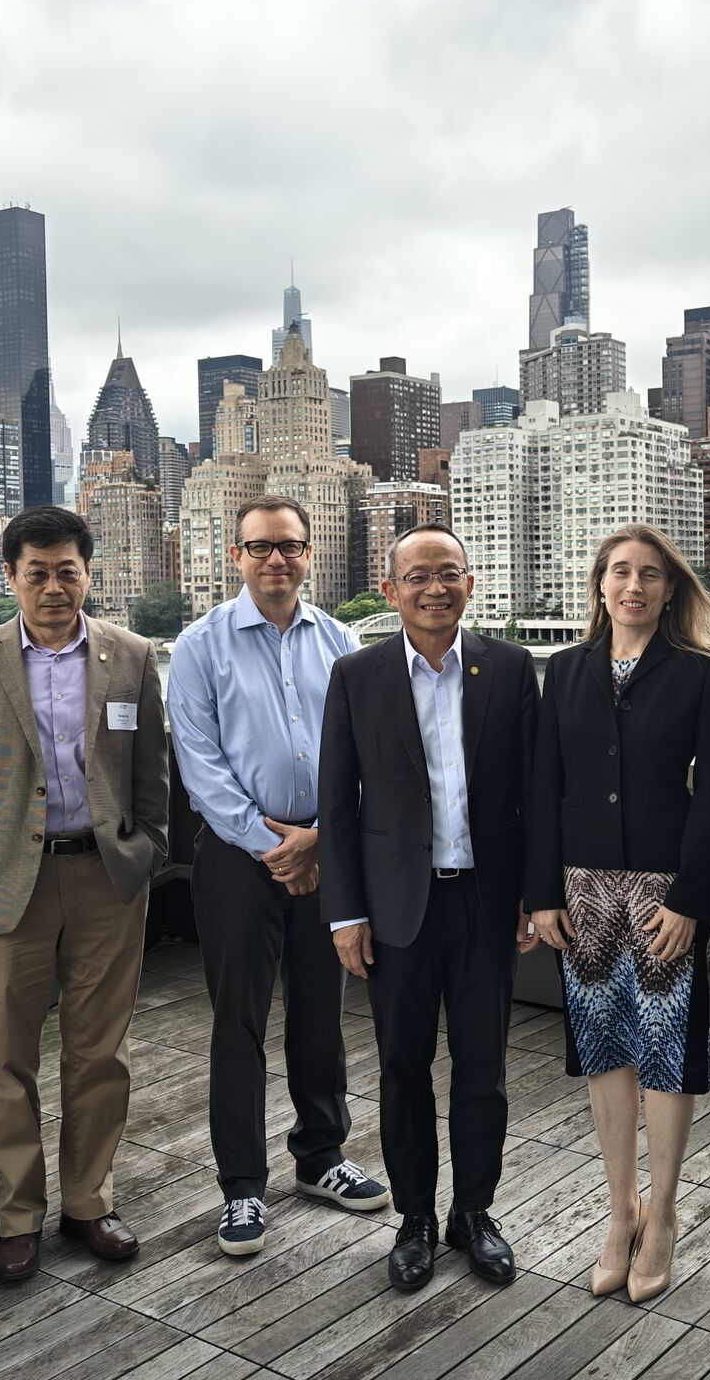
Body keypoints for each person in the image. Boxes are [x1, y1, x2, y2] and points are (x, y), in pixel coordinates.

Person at [0, 504, 171, 1284]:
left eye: (68, 571)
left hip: (105, 880)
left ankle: (89, 1202)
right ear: (10, 578)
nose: (55, 587)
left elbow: (152, 773)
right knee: (5, 1059)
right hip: (2, 886)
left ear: (89, 573)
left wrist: (146, 852)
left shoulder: (129, 657)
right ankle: (18, 1215)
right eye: (38, 573)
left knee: (102, 1054)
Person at [166, 494, 389, 1259]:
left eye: (289, 546)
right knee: (239, 1023)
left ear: (308, 553)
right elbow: (200, 765)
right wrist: (274, 844)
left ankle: (321, 1156)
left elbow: (370, 756)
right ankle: (242, 1188)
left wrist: (321, 840)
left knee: (322, 1017)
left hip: (327, 852)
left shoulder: (342, 641)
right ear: (237, 557)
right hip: (237, 859)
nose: (276, 560)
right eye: (259, 548)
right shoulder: (199, 647)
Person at [317, 524, 539, 1292]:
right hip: (395, 911)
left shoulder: (508, 670)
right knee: (403, 1068)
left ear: (470, 583)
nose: (434, 588)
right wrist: (345, 913)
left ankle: (473, 1214)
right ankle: (414, 1217)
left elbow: (532, 798)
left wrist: (532, 899)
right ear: (392, 590)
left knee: (484, 1069)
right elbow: (337, 806)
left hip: (484, 902)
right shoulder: (357, 676)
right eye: (418, 577)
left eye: (449, 573)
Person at [526, 525, 710, 1304]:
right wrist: (541, 892)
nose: (634, 586)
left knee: (667, 1051)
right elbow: (544, 787)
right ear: (600, 585)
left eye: (650, 575)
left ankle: (666, 1212)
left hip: (663, 892)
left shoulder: (703, 675)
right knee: (604, 1048)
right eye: (620, 572)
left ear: (671, 589)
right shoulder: (565, 670)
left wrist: (690, 900)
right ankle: (621, 1213)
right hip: (581, 888)